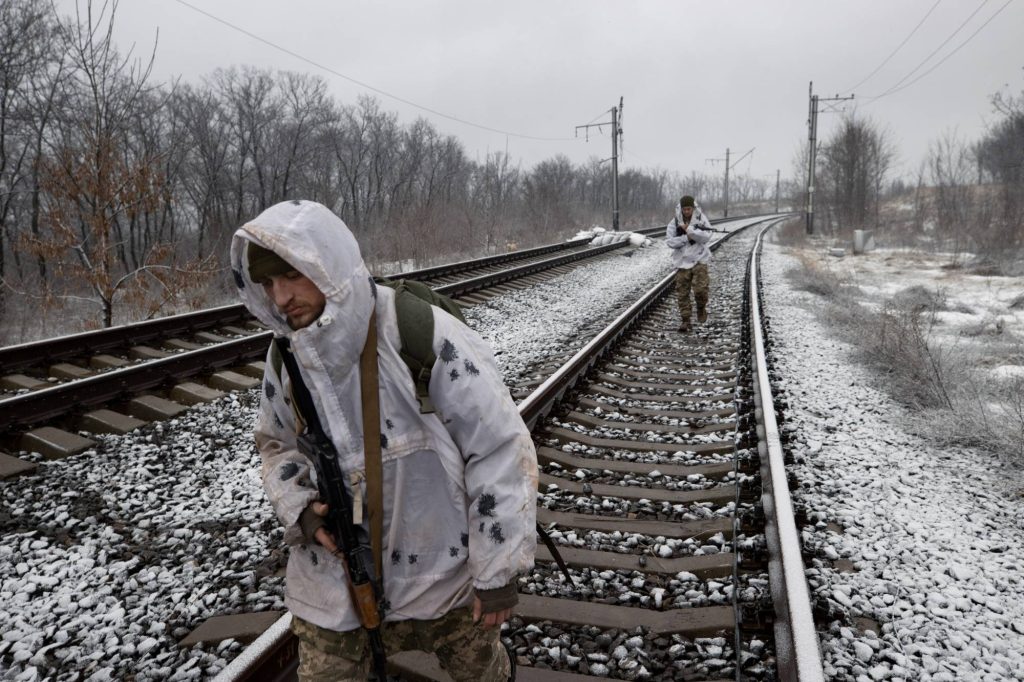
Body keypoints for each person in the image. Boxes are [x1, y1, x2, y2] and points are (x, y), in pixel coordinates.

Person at [230, 199, 538, 681]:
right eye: (268, 284)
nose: (281, 296)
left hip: (444, 564)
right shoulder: (285, 358)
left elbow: (498, 446)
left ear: (326, 264)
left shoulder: (417, 332)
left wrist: (497, 573)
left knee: (482, 674)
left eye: (291, 276)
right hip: (336, 578)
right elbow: (276, 443)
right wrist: (302, 512)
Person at [665, 195, 713, 332]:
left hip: (699, 259)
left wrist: (691, 231)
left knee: (701, 290)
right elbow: (669, 241)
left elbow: (707, 236)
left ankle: (701, 308)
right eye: (685, 209)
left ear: (693, 208)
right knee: (682, 293)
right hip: (682, 261)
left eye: (689, 209)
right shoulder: (674, 222)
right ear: (681, 208)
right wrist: (686, 237)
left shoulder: (700, 218)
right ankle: (686, 320)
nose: (687, 211)